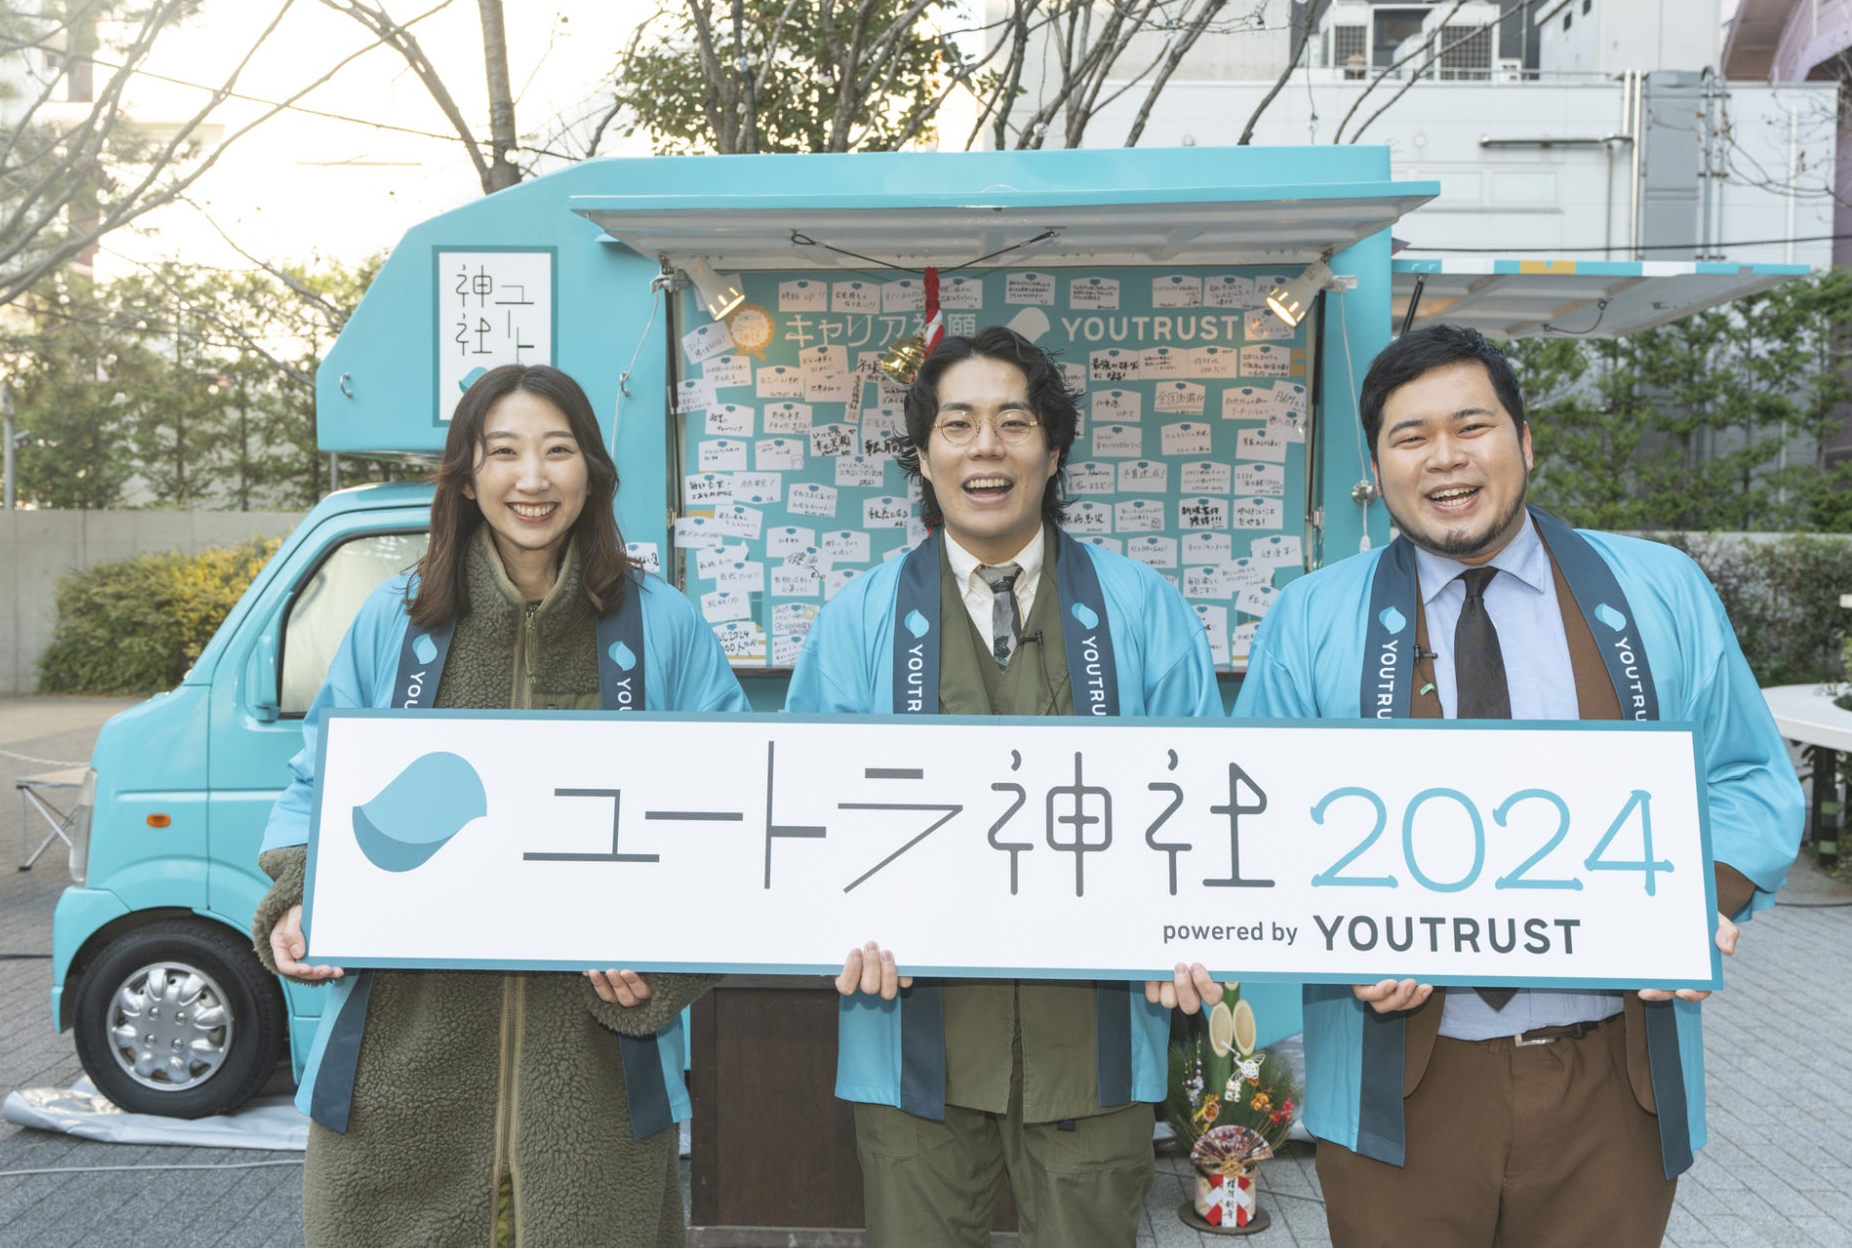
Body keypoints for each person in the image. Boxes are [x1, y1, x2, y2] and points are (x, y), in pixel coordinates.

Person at [1234, 324, 1803, 1247]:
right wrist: (1339, 937)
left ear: (1526, 441)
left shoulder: (1659, 590)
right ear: (1377, 470)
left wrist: (1695, 900)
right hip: (1396, 1082)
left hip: (1613, 1077)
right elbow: (1261, 819)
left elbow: (1747, 775)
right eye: (1410, 437)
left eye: (1472, 426)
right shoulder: (1310, 618)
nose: (1445, 458)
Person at [253, 364, 747, 1247]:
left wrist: (665, 962)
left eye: (558, 451)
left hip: (597, 1082)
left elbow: (734, 817)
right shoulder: (395, 621)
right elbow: (315, 789)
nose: (532, 478)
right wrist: (297, 897)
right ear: (466, 474)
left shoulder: (661, 627)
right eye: (505, 452)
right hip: (398, 1082)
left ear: (592, 471)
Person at [787, 326, 1229, 1248]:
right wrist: (835, 926)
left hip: (1097, 1037)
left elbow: (1205, 812)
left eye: (1014, 423)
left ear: (1054, 450)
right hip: (910, 1036)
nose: (984, 448)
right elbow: (804, 819)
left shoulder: (1145, 610)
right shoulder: (857, 620)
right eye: (957, 425)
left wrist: (1194, 935)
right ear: (922, 456)